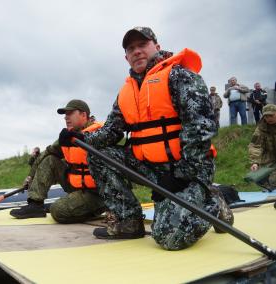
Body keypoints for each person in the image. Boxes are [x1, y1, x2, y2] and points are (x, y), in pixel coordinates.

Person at [60, 27, 233, 250]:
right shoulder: (126, 92)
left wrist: (181, 174)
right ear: (126, 57)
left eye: (142, 45)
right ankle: (129, 221)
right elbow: (110, 132)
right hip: (148, 167)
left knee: (169, 238)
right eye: (131, 48)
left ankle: (211, 201)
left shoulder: (180, 76)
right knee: (99, 154)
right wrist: (78, 137)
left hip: (186, 169)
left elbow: (201, 128)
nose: (137, 51)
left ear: (157, 47)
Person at [10, 99, 105, 223]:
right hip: (76, 187)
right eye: (65, 115)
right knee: (50, 159)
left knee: (57, 211)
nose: (66, 118)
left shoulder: (101, 134)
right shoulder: (68, 137)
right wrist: (30, 176)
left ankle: (96, 209)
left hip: (98, 193)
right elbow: (47, 153)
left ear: (83, 115)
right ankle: (35, 205)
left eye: (70, 113)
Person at [248, 104, 276, 188]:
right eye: (266, 116)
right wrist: (255, 162)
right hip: (269, 156)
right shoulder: (261, 128)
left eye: (271, 115)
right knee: (258, 177)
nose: (269, 118)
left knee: (273, 180)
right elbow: (255, 146)